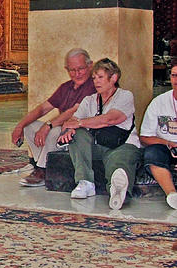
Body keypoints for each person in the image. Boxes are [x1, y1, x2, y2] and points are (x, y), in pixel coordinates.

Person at [58, 57, 140, 210]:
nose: (96, 81)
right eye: (94, 78)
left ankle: (116, 190)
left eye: (100, 77)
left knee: (118, 162)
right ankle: (85, 182)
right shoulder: (89, 100)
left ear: (114, 78)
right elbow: (71, 121)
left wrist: (80, 123)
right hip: (97, 145)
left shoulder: (125, 96)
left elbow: (111, 119)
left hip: (122, 145)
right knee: (77, 134)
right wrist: (70, 129)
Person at [11, 48, 95, 187]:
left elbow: (73, 111)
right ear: (66, 69)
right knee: (30, 126)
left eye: (81, 69)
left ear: (90, 65)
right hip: (59, 132)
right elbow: (42, 108)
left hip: (77, 133)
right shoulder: (66, 87)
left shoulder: (92, 86)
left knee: (53, 131)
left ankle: (42, 170)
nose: (77, 74)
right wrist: (20, 126)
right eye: (72, 70)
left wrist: (48, 125)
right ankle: (41, 166)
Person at [139, 65, 177, 210]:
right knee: (152, 153)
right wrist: (168, 142)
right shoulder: (158, 102)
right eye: (173, 75)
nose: (176, 80)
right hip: (165, 147)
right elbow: (145, 137)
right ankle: (172, 194)